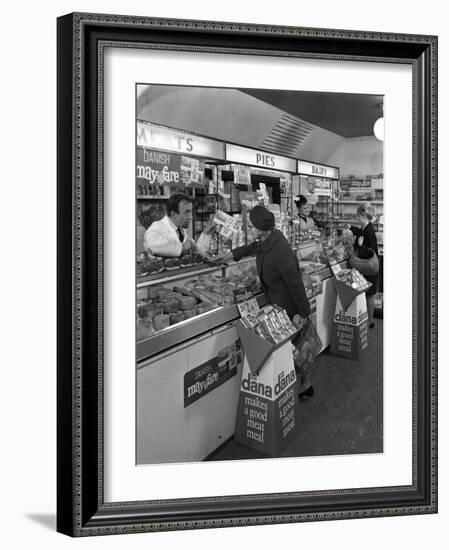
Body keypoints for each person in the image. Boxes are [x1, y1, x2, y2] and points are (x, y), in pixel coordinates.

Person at [214, 205, 314, 398]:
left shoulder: (280, 250)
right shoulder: (268, 239)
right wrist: (230, 255)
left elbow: (295, 284)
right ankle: (301, 385)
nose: (249, 230)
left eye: (251, 227)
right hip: (276, 304)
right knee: (292, 350)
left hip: (287, 307)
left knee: (295, 350)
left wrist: (302, 313)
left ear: (263, 228)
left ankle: (302, 386)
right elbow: (252, 247)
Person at [348, 203, 379, 328]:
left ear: (363, 215)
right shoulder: (365, 227)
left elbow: (371, 251)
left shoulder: (369, 231)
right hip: (366, 268)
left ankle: (369, 321)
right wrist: (351, 227)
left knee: (369, 294)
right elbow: (360, 232)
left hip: (369, 269)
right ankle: (367, 320)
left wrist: (361, 246)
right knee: (368, 293)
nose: (356, 217)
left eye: (358, 215)